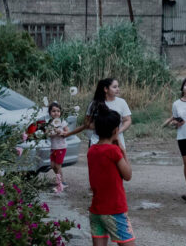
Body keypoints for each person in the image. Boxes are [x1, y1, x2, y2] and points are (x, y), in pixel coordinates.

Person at [88, 105, 135, 246]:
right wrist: (123, 152)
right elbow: (127, 175)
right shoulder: (114, 151)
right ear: (115, 130)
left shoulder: (91, 150)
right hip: (115, 209)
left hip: (96, 210)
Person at [67, 78, 133, 149]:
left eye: (118, 86)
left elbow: (127, 120)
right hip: (97, 141)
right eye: (114, 87)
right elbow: (87, 123)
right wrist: (100, 128)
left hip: (116, 139)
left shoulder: (122, 102)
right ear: (106, 89)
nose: (118, 89)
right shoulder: (95, 104)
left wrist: (118, 131)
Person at [47, 101, 69, 193]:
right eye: (53, 111)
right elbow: (47, 133)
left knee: (57, 165)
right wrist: (51, 133)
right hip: (53, 147)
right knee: (52, 166)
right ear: (50, 113)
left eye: (58, 111)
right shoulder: (50, 123)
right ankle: (62, 181)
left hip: (61, 147)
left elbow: (67, 132)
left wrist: (61, 132)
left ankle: (59, 184)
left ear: (60, 112)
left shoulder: (62, 122)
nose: (56, 113)